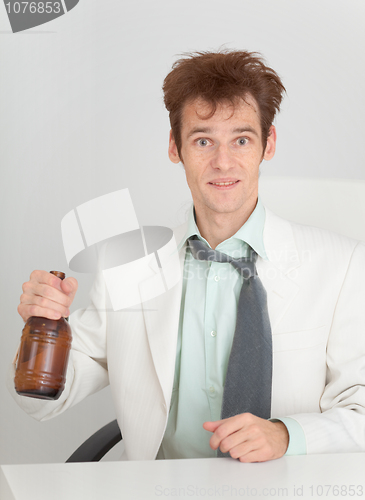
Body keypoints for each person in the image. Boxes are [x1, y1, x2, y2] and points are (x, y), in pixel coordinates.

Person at [11, 50, 365, 463]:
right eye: (202, 140)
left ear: (268, 144)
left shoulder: (340, 266)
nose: (222, 162)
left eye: (241, 139)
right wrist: (44, 328)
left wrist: (287, 436)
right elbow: (45, 401)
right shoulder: (127, 270)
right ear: (174, 147)